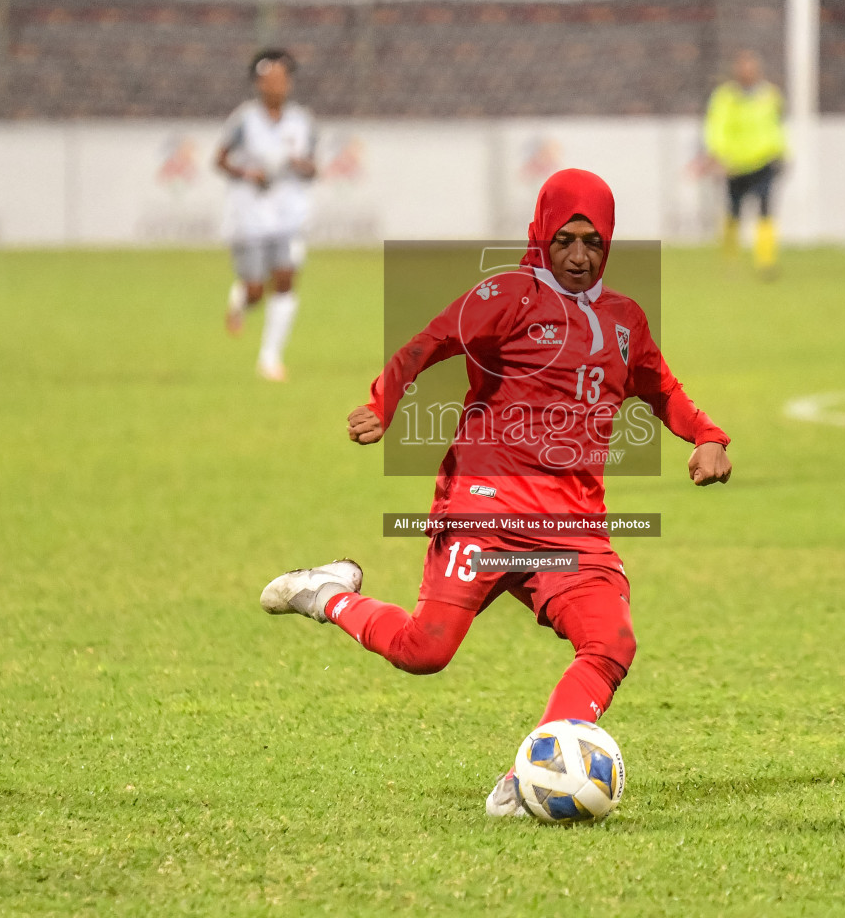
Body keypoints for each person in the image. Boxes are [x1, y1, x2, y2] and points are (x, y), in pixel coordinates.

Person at [257, 168, 733, 817]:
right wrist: (384, 403)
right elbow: (427, 344)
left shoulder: (625, 321)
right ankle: (328, 595)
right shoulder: (506, 296)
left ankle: (527, 775)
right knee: (425, 652)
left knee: (611, 642)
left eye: (592, 241)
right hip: (483, 504)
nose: (578, 255)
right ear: (540, 234)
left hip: (571, 524)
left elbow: (662, 389)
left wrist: (706, 436)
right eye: (565, 238)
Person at [215, 48, 317, 381]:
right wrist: (247, 174)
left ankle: (270, 358)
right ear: (258, 84)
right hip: (250, 216)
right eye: (269, 79)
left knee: (286, 281)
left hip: (288, 216)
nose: (276, 85)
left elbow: (313, 167)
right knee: (258, 289)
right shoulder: (244, 120)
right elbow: (220, 160)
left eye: (281, 78)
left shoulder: (302, 122)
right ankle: (241, 298)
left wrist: (301, 165)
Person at [703, 49, 786, 276]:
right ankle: (730, 260)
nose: (747, 71)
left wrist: (781, 152)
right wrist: (718, 156)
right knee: (733, 212)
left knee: (766, 210)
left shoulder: (770, 94)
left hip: (764, 161)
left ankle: (765, 262)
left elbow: (776, 126)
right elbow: (716, 128)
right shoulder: (726, 97)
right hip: (735, 164)